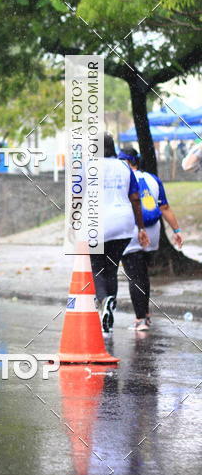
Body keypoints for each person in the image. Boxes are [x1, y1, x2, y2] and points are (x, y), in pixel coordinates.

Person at [120, 148, 183, 331]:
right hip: (153, 232)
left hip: (133, 231)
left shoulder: (122, 179)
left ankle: (140, 319)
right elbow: (164, 207)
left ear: (125, 161)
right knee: (142, 274)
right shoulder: (152, 179)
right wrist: (177, 230)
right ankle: (145, 314)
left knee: (135, 275)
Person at [93, 133, 149, 333]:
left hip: (99, 222)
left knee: (97, 267)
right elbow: (135, 198)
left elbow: (77, 196)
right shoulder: (124, 166)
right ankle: (109, 314)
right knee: (112, 267)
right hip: (124, 224)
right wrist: (140, 228)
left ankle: (104, 301)